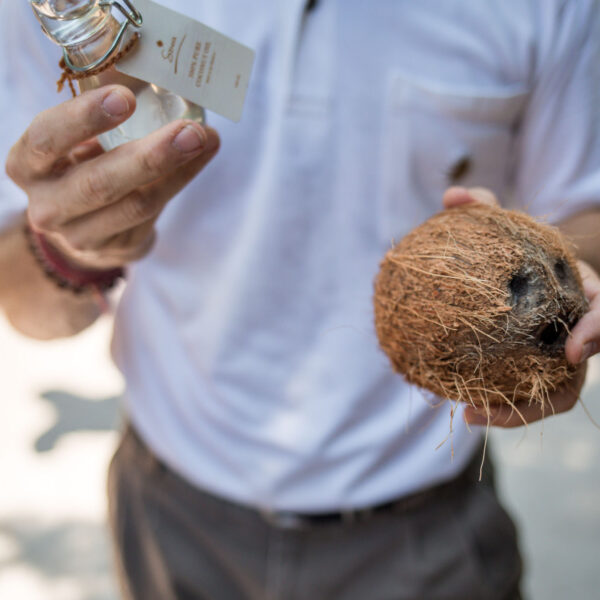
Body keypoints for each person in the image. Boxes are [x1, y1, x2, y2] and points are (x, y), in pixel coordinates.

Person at [1, 1, 599, 598]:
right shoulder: (68, 10)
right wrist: (72, 251)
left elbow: (585, 213)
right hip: (176, 518)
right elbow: (23, 302)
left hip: (426, 536)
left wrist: (564, 290)